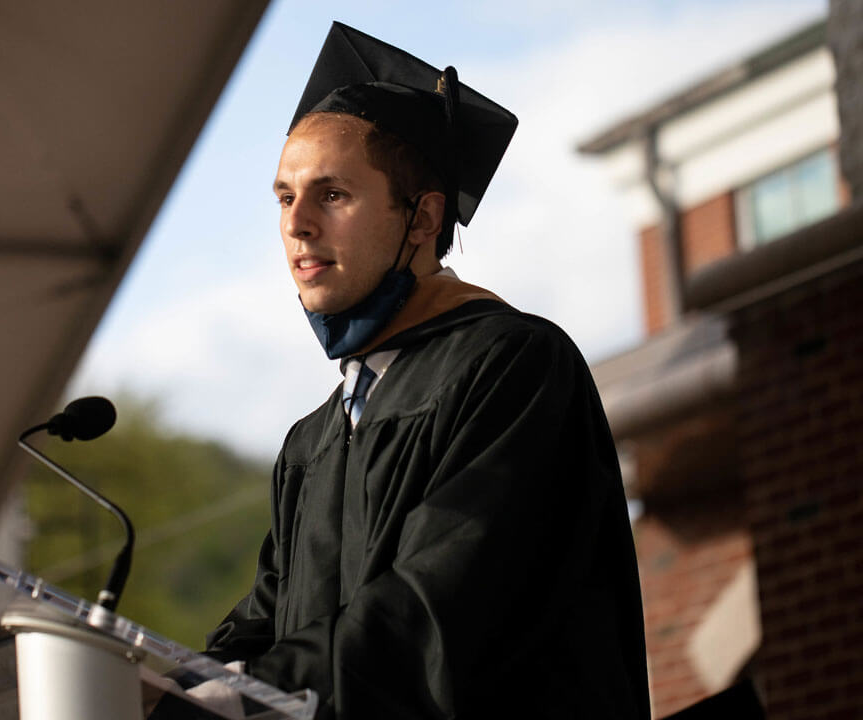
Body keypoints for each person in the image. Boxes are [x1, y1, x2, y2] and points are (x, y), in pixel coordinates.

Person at [204, 23, 651, 719]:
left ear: (422, 217)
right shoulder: (310, 443)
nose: (297, 225)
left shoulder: (511, 367)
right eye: (286, 197)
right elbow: (259, 627)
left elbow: (441, 611)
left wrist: (244, 696)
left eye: (332, 195)